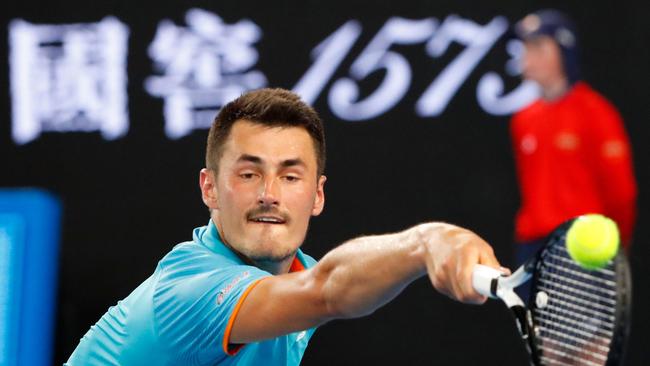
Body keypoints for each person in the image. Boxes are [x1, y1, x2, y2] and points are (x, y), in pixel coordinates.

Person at [66, 88, 505, 365]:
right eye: (248, 173)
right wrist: (427, 243)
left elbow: (330, 282)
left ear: (317, 195)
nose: (269, 194)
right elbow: (328, 291)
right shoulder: (192, 292)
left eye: (290, 176)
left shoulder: (294, 274)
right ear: (210, 189)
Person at [510, 10, 637, 270]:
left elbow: (621, 194)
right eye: (525, 47)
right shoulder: (522, 119)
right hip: (532, 249)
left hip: (583, 248)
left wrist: (617, 250)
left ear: (563, 52)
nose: (527, 56)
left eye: (538, 46)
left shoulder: (598, 113)